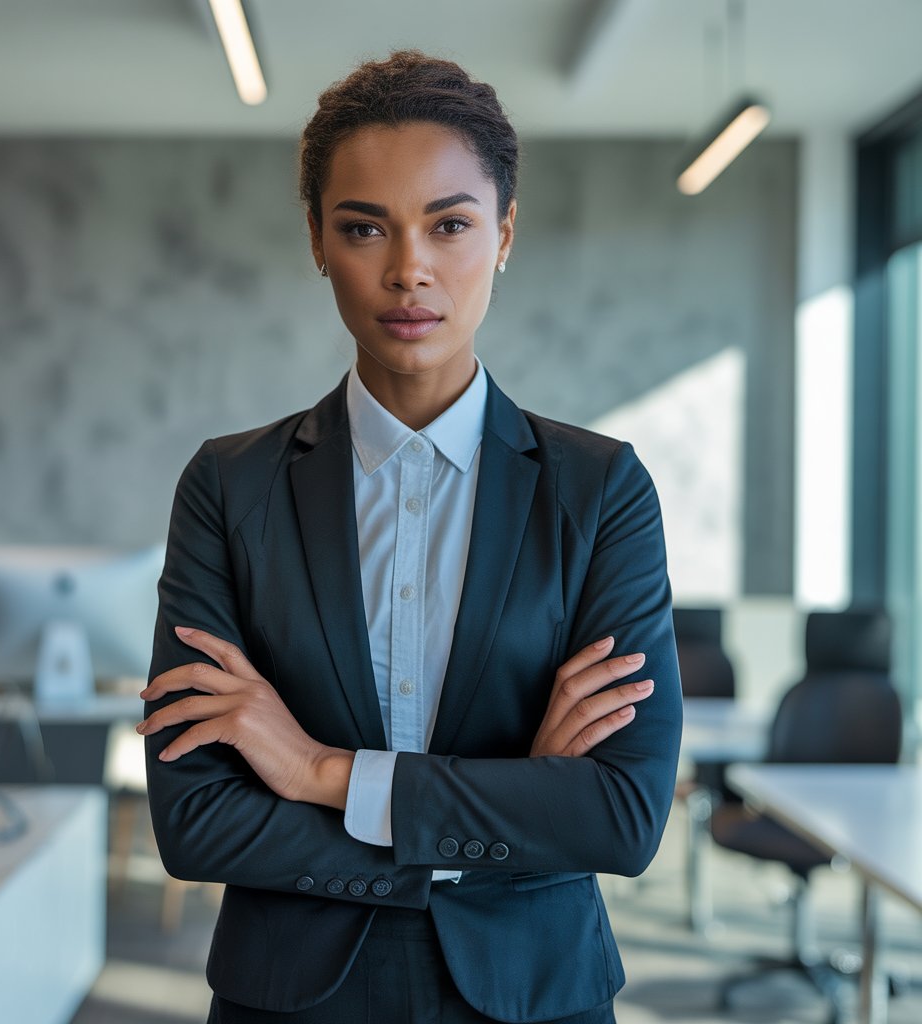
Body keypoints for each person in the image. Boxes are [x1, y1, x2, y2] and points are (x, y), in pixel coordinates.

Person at [139, 50, 683, 1024]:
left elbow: (621, 814)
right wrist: (517, 797)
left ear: (505, 232)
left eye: (449, 224)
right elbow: (197, 820)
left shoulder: (601, 491)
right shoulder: (231, 485)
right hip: (288, 995)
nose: (408, 270)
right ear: (315, 238)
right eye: (363, 227)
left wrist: (317, 772)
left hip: (534, 990)